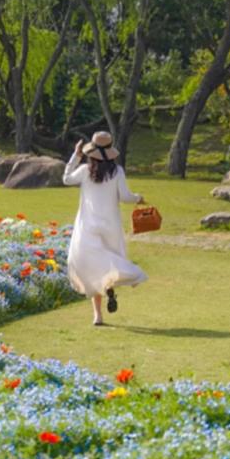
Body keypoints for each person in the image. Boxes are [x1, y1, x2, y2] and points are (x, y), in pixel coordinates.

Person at [62, 131, 148, 326]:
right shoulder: (117, 172)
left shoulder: (85, 171)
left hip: (88, 225)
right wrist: (138, 198)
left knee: (91, 265)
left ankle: (98, 316)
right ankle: (129, 277)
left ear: (91, 151)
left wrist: (76, 156)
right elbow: (125, 197)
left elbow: (66, 178)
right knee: (109, 261)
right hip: (110, 225)